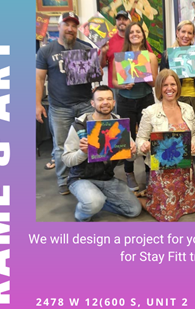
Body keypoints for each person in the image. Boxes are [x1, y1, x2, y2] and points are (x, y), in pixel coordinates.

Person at [61, 86, 142, 222]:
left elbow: (132, 157)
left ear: (114, 102)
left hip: (107, 178)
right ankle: (82, 213)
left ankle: (96, 202)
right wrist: (83, 153)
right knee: (93, 203)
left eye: (109, 99)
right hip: (81, 178)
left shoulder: (119, 124)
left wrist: (132, 152)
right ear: (93, 103)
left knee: (134, 210)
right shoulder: (80, 125)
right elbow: (66, 159)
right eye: (100, 99)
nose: (105, 102)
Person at [36, 12, 94, 195]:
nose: (70, 29)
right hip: (59, 107)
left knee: (90, 142)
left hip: (85, 104)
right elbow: (39, 78)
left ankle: (86, 175)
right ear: (59, 27)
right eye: (66, 25)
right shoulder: (46, 51)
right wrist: (37, 104)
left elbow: (95, 74)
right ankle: (63, 180)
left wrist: (97, 64)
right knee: (61, 145)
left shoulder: (85, 48)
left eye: (74, 25)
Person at [135, 69, 195, 222]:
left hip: (184, 168)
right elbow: (140, 138)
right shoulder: (150, 112)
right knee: (168, 216)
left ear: (178, 86)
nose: (169, 88)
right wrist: (143, 145)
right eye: (165, 85)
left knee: (189, 208)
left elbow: (193, 134)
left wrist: (192, 145)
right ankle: (142, 200)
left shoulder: (188, 109)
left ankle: (150, 194)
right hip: (162, 171)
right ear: (159, 88)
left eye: (173, 84)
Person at [111, 22, 159, 191]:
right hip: (125, 100)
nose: (135, 34)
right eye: (132, 32)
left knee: (149, 137)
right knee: (127, 138)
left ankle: (149, 171)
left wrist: (145, 74)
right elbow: (114, 81)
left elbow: (155, 83)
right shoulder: (120, 57)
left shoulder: (150, 57)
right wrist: (123, 85)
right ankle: (129, 172)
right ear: (127, 36)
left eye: (138, 31)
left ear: (143, 35)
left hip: (145, 100)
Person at [160, 20, 195, 128]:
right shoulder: (168, 55)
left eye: (190, 33)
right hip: (177, 97)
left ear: (193, 36)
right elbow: (161, 80)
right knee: (178, 128)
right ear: (177, 33)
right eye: (183, 32)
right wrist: (172, 77)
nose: (186, 36)